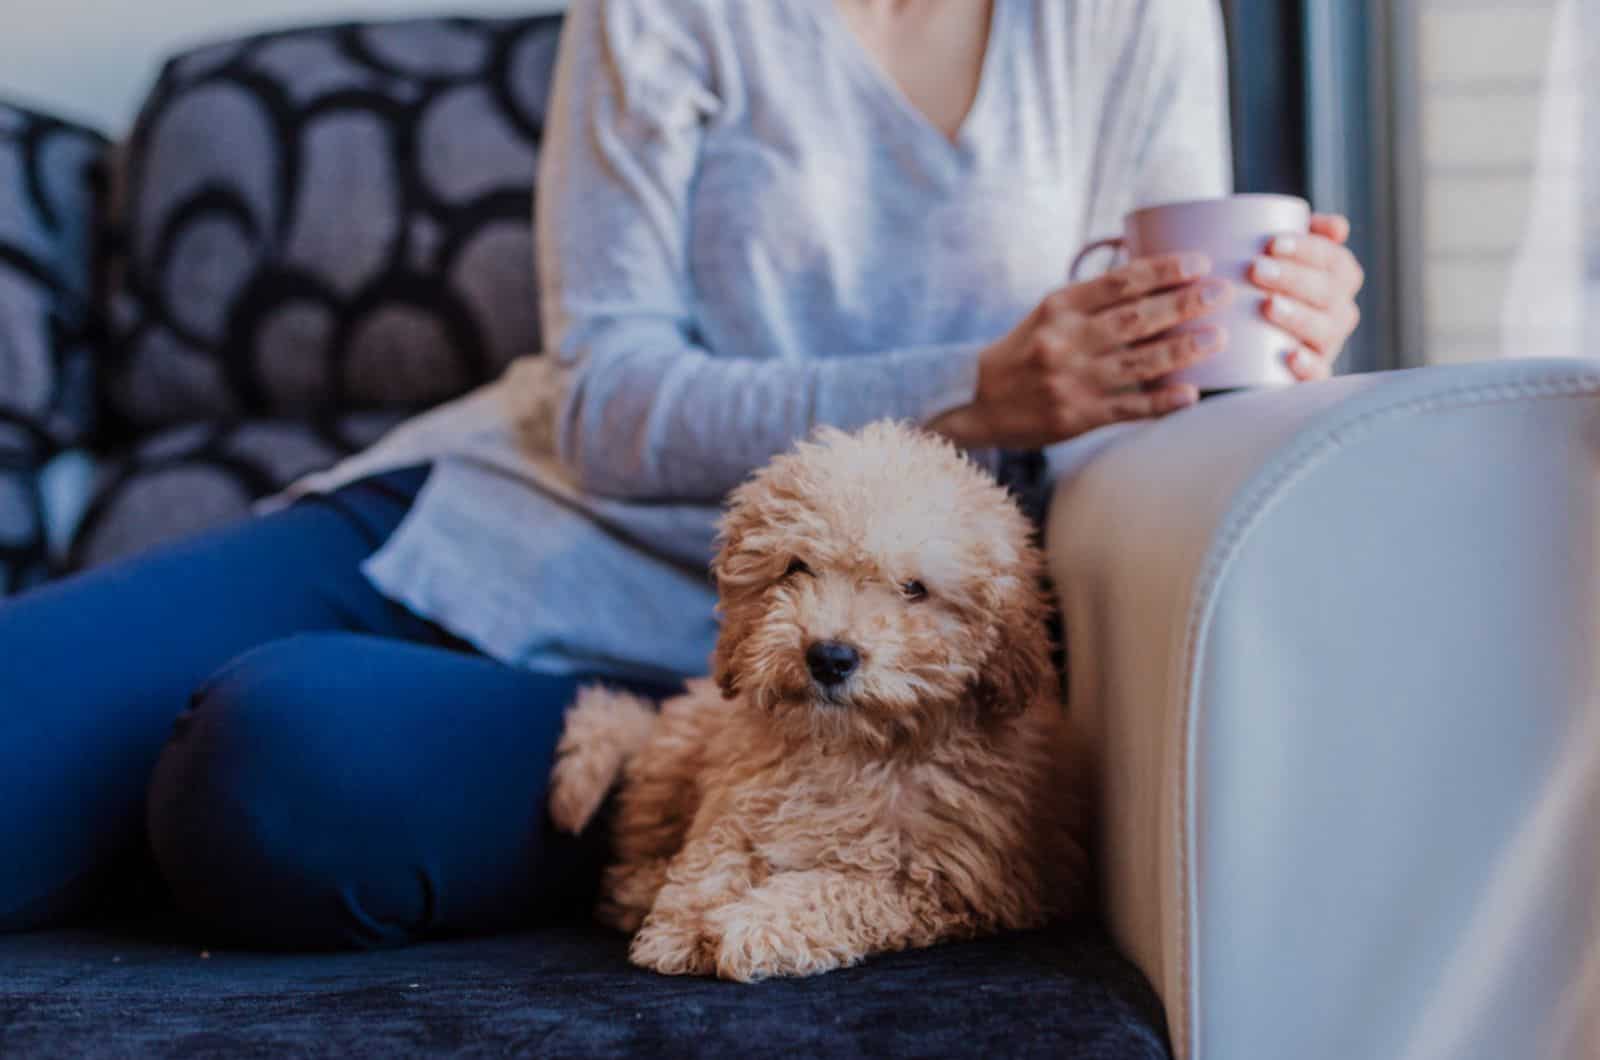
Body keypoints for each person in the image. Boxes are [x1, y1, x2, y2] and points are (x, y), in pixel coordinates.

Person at [0, 0, 1364, 949]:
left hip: (776, 675)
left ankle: (702, 810)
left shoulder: (1125, 17)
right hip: (492, 522)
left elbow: (1162, 373)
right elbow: (604, 405)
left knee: (280, 779)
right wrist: (979, 389)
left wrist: (1273, 345)